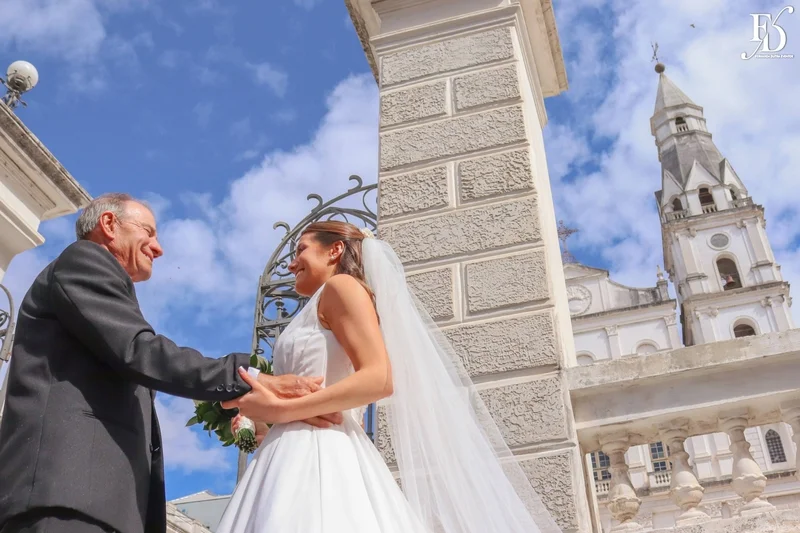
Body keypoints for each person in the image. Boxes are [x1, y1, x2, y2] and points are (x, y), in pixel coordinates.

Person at [0, 193, 339, 533]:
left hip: (91, 500)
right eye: (148, 232)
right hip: (66, 495)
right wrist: (249, 376)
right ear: (109, 224)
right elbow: (140, 350)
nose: (158, 248)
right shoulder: (84, 260)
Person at [216, 221, 561, 533]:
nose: (292, 264)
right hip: (289, 456)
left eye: (301, 250)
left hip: (325, 455)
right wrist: (265, 428)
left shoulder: (342, 287)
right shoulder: (317, 304)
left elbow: (378, 378)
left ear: (335, 250)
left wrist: (282, 411)